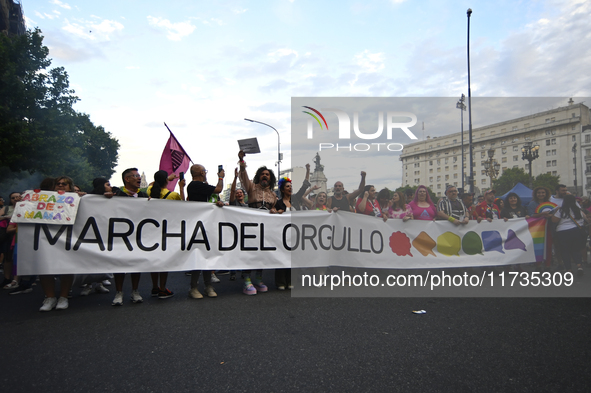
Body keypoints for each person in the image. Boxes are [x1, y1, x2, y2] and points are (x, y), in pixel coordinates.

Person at [238, 150, 275, 295]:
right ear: (259, 176)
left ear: (270, 178)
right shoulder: (251, 187)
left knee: (262, 253)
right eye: (262, 174)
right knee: (250, 253)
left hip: (266, 228)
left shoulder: (273, 194)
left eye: (267, 174)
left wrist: (277, 211)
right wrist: (241, 161)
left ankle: (259, 279)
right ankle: (247, 280)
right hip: (251, 226)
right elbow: (243, 176)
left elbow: (279, 209)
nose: (265, 176)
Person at [38, 176, 77, 311]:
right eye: (58, 184)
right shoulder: (43, 199)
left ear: (70, 187)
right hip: (47, 237)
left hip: (67, 237)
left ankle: (63, 297)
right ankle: (50, 297)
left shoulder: (78, 199)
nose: (60, 186)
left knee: (66, 267)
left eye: (64, 184)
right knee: (45, 267)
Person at [111, 168, 148, 306]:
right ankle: (119, 292)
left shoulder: (144, 196)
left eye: (139, 176)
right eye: (135, 176)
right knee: (119, 264)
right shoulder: (117, 194)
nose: (139, 178)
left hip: (138, 236)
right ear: (127, 179)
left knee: (136, 263)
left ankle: (135, 291)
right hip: (121, 235)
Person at [186, 164, 224, 299]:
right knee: (198, 256)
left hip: (206, 224)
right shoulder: (195, 185)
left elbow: (212, 199)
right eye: (205, 171)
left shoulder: (198, 186)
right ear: (201, 173)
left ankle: (208, 286)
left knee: (208, 255)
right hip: (199, 225)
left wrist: (217, 204)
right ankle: (194, 288)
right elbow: (219, 189)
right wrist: (221, 177)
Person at [146, 170, 185, 299]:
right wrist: (180, 187)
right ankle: (163, 289)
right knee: (163, 261)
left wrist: (167, 178)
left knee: (153, 260)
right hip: (166, 231)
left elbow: (152, 184)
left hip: (151, 231)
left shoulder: (150, 191)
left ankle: (154, 287)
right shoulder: (173, 195)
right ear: (166, 181)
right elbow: (185, 206)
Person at [551, 194, 588, 275]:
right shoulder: (578, 210)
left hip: (563, 232)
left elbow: (554, 220)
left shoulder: (561, 210)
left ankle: (569, 269)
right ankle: (579, 266)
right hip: (577, 231)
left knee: (565, 251)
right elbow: (585, 219)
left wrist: (554, 213)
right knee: (576, 250)